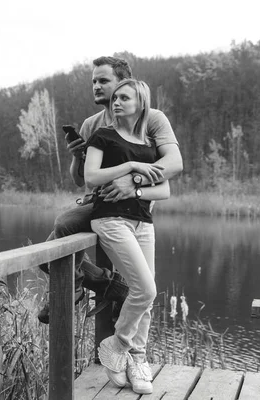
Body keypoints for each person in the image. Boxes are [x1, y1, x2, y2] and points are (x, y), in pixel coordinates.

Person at [37, 56, 183, 323]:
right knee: (46, 257)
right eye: (94, 81)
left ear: (123, 83)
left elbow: (174, 163)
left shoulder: (151, 118)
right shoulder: (92, 125)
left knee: (64, 225)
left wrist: (134, 181)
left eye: (104, 80)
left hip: (133, 205)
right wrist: (76, 157)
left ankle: (84, 289)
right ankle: (106, 286)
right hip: (100, 200)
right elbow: (82, 180)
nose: (96, 86)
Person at [86, 79, 169, 395]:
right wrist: (132, 164)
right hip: (111, 220)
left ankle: (136, 360)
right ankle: (117, 344)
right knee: (145, 288)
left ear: (140, 103)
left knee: (146, 298)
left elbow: (165, 189)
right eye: (115, 97)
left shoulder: (150, 144)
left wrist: (135, 186)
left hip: (143, 223)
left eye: (124, 97)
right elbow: (91, 176)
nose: (116, 101)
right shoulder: (103, 136)